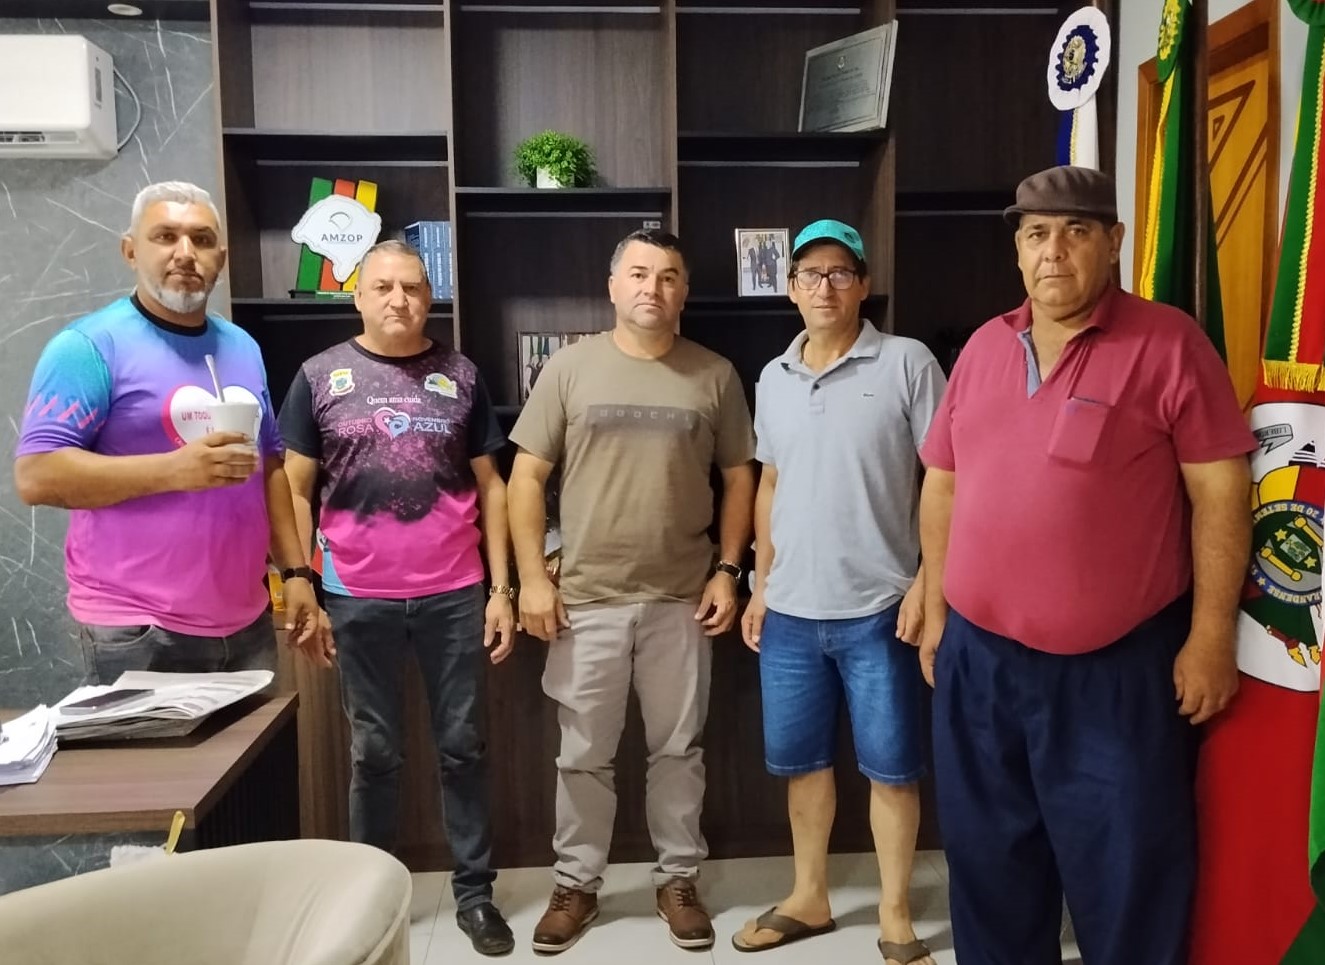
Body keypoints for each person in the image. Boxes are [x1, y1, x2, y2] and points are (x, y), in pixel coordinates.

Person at [917, 165, 1257, 965]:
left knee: (1127, 880)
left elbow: (1219, 493)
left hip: (1113, 674)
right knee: (989, 871)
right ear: (1016, 250)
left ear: (1113, 242)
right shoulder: (982, 346)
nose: (1053, 251)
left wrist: (1210, 635)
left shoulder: (1168, 343)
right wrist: (934, 608)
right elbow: (943, 480)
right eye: (1035, 234)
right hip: (978, 666)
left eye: (1075, 231)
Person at [508, 228, 756, 954]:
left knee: (678, 750)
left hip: (682, 597)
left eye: (669, 276)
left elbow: (740, 477)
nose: (654, 287)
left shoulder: (714, 374)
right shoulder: (568, 368)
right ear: (613, 287)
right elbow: (525, 477)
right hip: (586, 599)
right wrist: (531, 578)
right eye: (640, 274)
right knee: (582, 754)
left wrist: (729, 570)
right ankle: (576, 884)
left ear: (684, 291)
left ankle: (677, 879)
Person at [279, 240, 515, 956]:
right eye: (382, 286)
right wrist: (301, 584)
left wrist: (500, 588)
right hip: (356, 596)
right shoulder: (318, 375)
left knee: (463, 747)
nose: (398, 299)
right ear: (357, 296)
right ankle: (371, 899)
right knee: (373, 753)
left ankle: (474, 895)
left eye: (411, 287)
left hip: (455, 592)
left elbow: (493, 485)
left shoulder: (461, 374)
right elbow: (292, 488)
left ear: (428, 296)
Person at [734, 220, 944, 965]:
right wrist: (760, 584)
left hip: (881, 608)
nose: (824, 287)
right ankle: (809, 896)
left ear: (862, 285)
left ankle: (895, 914)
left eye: (840, 273)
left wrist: (928, 581)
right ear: (790, 288)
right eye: (810, 274)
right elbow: (769, 481)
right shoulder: (773, 375)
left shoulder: (907, 362)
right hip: (789, 611)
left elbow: (947, 478)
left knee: (892, 767)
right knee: (802, 765)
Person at [14, 180, 319, 682]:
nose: (185, 253)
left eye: (201, 239)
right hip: (136, 630)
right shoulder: (88, 346)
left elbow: (269, 467)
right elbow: (36, 476)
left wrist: (296, 573)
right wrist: (174, 470)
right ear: (131, 251)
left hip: (246, 622)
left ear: (221, 258)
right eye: (165, 236)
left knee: (265, 740)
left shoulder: (242, 347)